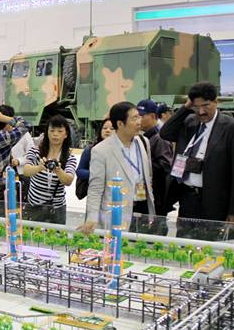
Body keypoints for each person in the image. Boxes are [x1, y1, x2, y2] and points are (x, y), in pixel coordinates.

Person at [160, 82, 234, 224]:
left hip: (215, 202)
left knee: (211, 238)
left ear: (215, 102)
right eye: (196, 106)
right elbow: (165, 133)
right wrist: (186, 107)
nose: (201, 112)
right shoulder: (190, 122)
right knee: (185, 237)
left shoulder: (232, 127)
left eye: (206, 105)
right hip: (187, 197)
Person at [78, 102, 156, 234]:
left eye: (139, 117)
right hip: (118, 213)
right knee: (118, 246)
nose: (139, 121)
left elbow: (148, 175)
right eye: (134, 118)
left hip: (142, 208)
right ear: (120, 124)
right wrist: (92, 217)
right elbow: (95, 188)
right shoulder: (101, 150)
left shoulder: (143, 142)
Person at [22, 115, 77, 224]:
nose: (55, 134)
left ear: (66, 134)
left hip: (57, 208)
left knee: (56, 234)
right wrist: (39, 167)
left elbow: (68, 181)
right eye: (52, 130)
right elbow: (26, 171)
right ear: (47, 133)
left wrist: (59, 171)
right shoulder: (35, 151)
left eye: (60, 131)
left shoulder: (69, 157)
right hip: (34, 206)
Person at [138, 99, 174, 215]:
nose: (138, 119)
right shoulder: (147, 137)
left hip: (157, 197)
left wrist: (142, 166)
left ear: (153, 116)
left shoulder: (160, 138)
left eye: (141, 116)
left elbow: (165, 166)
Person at [75, 118, 114, 199]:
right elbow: (79, 171)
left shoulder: (122, 151)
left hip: (114, 195)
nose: (108, 130)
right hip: (95, 194)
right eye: (104, 128)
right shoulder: (90, 150)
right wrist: (96, 174)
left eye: (112, 128)